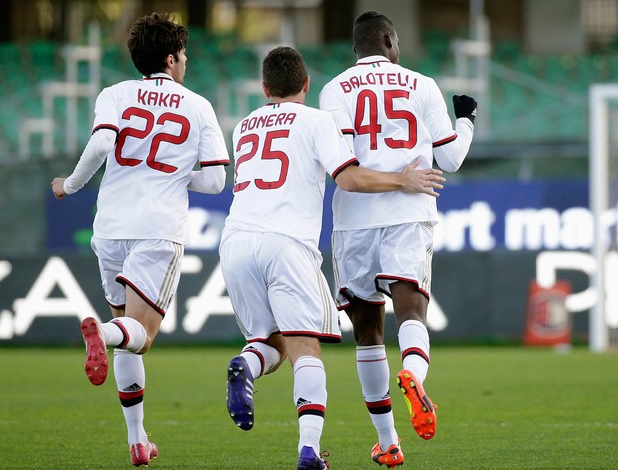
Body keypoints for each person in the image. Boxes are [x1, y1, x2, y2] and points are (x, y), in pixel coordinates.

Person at [219, 46, 446, 470]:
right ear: (306, 85)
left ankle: (245, 364)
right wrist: (402, 179)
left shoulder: (243, 125)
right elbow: (349, 177)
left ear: (265, 87)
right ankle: (308, 451)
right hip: (287, 243)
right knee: (307, 349)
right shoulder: (317, 120)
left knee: (270, 343)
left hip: (234, 242)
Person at [50, 12, 229, 467]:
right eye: (183, 54)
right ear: (170, 59)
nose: (186, 62)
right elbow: (213, 183)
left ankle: (137, 438)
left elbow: (101, 145)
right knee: (139, 336)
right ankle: (101, 333)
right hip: (157, 228)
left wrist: (70, 185)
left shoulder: (114, 94)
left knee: (128, 335)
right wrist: (174, 176)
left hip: (109, 227)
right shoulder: (197, 105)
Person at [319, 10, 477, 468]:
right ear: (389, 39)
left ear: (355, 49)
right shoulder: (422, 84)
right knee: (411, 308)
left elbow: (341, 164)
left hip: (354, 220)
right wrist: (465, 118)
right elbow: (450, 160)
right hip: (409, 212)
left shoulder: (334, 89)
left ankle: (388, 441)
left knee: (367, 332)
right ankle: (412, 373)